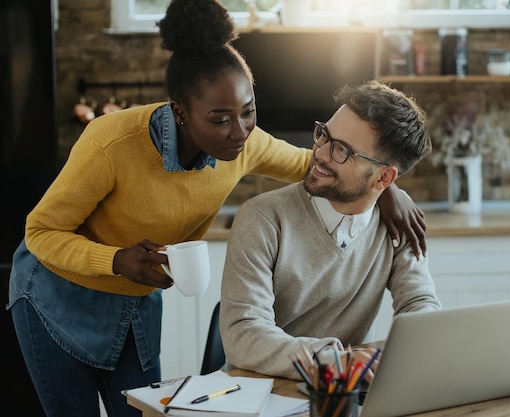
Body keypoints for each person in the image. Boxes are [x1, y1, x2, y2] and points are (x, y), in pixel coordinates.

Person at [6, 1, 427, 416]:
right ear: (181, 113)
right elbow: (40, 232)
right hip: (55, 295)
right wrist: (114, 260)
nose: (240, 132)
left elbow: (318, 167)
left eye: (248, 112)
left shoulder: (246, 144)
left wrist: (389, 190)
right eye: (220, 118)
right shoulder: (109, 144)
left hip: (134, 299)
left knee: (140, 412)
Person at [220, 80, 442, 382]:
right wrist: (337, 363)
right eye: (324, 135)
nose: (320, 153)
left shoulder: (399, 223)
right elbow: (243, 336)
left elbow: (419, 303)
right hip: (263, 396)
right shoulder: (263, 218)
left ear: (383, 178)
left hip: (346, 391)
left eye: (342, 151)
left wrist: (417, 345)